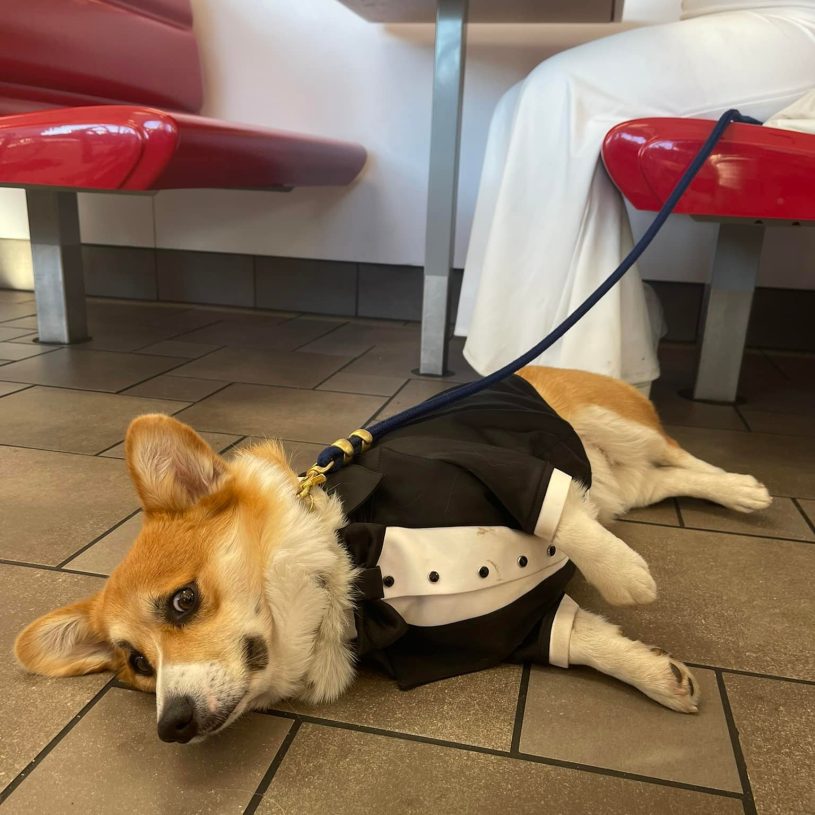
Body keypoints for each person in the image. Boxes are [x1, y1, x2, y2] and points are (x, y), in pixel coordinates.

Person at [455, 1, 815, 391]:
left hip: (796, 19)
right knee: (519, 100)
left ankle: (590, 378)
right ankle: (585, 342)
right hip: (725, 17)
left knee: (562, 89)